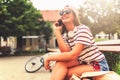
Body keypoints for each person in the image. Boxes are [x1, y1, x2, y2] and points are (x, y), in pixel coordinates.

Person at [43, 5, 109, 80]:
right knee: (60, 64)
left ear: (74, 16)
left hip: (97, 65)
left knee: (63, 73)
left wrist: (49, 57)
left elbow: (72, 55)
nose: (64, 14)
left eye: (67, 11)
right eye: (61, 13)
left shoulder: (83, 30)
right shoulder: (65, 35)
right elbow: (66, 53)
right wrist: (57, 31)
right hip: (83, 63)